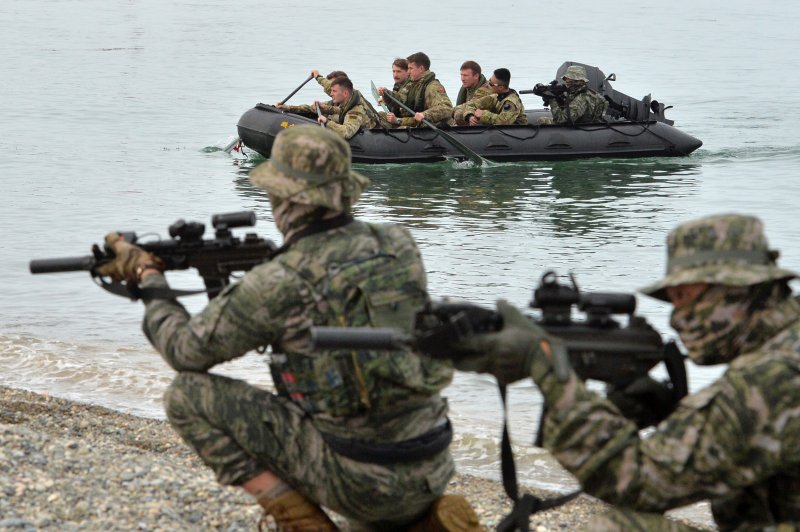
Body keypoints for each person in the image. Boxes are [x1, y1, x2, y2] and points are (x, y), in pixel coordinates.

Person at [95, 126, 481, 531]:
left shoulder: (278, 281)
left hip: (359, 482)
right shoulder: (398, 244)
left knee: (185, 396)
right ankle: (417, 522)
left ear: (282, 196)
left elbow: (183, 350)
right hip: (432, 465)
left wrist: (149, 277)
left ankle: (300, 520)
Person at [453, 213, 800, 530]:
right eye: (673, 300)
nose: (678, 317)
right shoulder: (786, 345)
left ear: (738, 288)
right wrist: (676, 419)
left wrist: (548, 370)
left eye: (686, 296)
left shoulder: (775, 375)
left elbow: (637, 483)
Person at [377, 52, 453, 128]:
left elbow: (447, 108)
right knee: (380, 115)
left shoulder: (433, 86)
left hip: (425, 126)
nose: (408, 72)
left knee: (401, 129)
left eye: (411, 68)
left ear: (421, 69)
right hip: (411, 121)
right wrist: (386, 94)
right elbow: (401, 99)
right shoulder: (413, 83)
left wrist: (425, 114)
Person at [537, 64, 607, 125]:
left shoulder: (582, 98)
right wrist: (557, 98)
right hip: (580, 123)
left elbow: (561, 120)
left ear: (580, 81)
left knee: (542, 120)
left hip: (581, 129)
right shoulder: (579, 92)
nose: (567, 81)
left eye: (571, 79)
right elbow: (567, 107)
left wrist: (552, 98)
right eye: (566, 78)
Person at [462, 68, 527, 126]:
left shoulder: (511, 102)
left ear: (501, 87)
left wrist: (483, 114)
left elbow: (504, 122)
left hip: (516, 131)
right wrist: (470, 116)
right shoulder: (496, 97)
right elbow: (471, 104)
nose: (488, 85)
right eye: (489, 80)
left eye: (491, 84)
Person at [451, 61, 492, 125]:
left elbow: (470, 106)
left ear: (476, 76)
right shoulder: (469, 87)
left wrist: (451, 111)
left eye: (465, 75)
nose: (462, 79)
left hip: (485, 122)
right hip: (470, 114)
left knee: (458, 114)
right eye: (461, 75)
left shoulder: (484, 90)